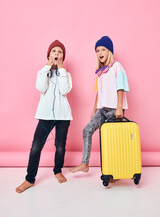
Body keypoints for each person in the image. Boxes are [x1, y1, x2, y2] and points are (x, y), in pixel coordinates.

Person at [16, 40, 72, 193]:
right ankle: (29, 179)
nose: (57, 54)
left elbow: (64, 91)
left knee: (60, 146)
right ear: (49, 55)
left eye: (60, 52)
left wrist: (61, 70)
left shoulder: (66, 74)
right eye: (54, 51)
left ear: (63, 57)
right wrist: (47, 67)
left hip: (63, 115)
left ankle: (58, 170)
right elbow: (41, 87)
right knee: (36, 146)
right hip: (45, 115)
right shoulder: (42, 72)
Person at [69, 36, 129, 173]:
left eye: (103, 49)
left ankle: (115, 170)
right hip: (102, 110)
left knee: (112, 141)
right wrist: (93, 109)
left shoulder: (117, 66)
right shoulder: (100, 72)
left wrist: (119, 107)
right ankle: (85, 163)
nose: (100, 52)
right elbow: (98, 92)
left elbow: (121, 87)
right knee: (87, 130)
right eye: (97, 50)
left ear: (109, 51)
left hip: (114, 109)